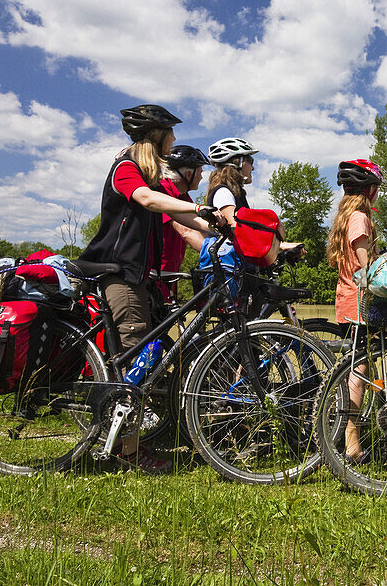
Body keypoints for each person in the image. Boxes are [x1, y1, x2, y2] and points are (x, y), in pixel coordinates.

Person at [79, 105, 218, 474]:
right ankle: (126, 453)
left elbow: (177, 213)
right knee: (136, 357)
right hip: (120, 274)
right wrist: (202, 208)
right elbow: (146, 200)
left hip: (140, 277)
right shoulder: (126, 170)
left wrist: (219, 230)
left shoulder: (152, 177)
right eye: (169, 134)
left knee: (144, 356)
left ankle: (124, 443)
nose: (173, 141)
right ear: (155, 136)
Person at [325, 159, 382, 461]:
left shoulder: (346, 216)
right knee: (358, 371)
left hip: (348, 299)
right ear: (369, 190)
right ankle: (351, 440)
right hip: (359, 303)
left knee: (359, 366)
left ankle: (348, 434)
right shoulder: (360, 218)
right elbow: (366, 265)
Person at [205, 136, 303, 258]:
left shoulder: (235, 193)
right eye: (250, 162)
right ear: (238, 163)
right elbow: (234, 228)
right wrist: (279, 245)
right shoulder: (223, 192)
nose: (253, 168)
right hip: (228, 266)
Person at [157, 145, 210, 302]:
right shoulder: (163, 191)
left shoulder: (183, 196)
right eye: (200, 171)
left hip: (169, 274)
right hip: (155, 274)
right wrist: (221, 254)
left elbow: (200, 226)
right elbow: (187, 230)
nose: (201, 177)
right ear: (188, 174)